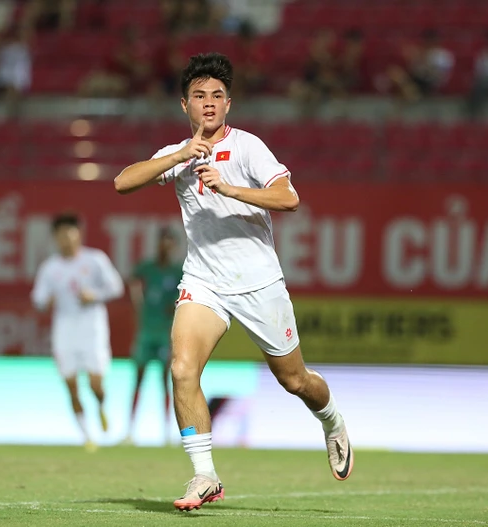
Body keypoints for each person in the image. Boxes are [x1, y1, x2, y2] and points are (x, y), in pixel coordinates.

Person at [114, 52, 353, 511]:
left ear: (229, 104)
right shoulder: (176, 155)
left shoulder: (247, 147)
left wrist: (230, 188)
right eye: (199, 95)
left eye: (217, 96)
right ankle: (204, 475)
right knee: (182, 368)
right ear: (184, 104)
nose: (209, 103)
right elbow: (122, 183)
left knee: (295, 380)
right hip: (204, 281)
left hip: (259, 282)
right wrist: (182, 154)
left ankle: (332, 420)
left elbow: (289, 198)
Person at [30, 212, 124, 452]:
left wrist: (95, 295)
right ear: (55, 238)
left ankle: (101, 406)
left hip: (92, 329)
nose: (65, 240)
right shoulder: (50, 268)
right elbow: (38, 298)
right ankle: (86, 436)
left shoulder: (95, 260)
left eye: (69, 234)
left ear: (78, 235)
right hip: (65, 331)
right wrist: (46, 301)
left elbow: (116, 287)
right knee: (71, 385)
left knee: (95, 384)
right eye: (60, 235)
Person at [123, 228, 183, 445]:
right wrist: (138, 302)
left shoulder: (178, 272)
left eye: (169, 243)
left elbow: (183, 297)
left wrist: (175, 306)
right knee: (138, 379)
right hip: (146, 331)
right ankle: (129, 431)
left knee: (165, 381)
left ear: (174, 247)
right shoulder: (147, 268)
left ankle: (166, 433)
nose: (165, 247)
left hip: (165, 332)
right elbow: (133, 281)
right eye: (162, 242)